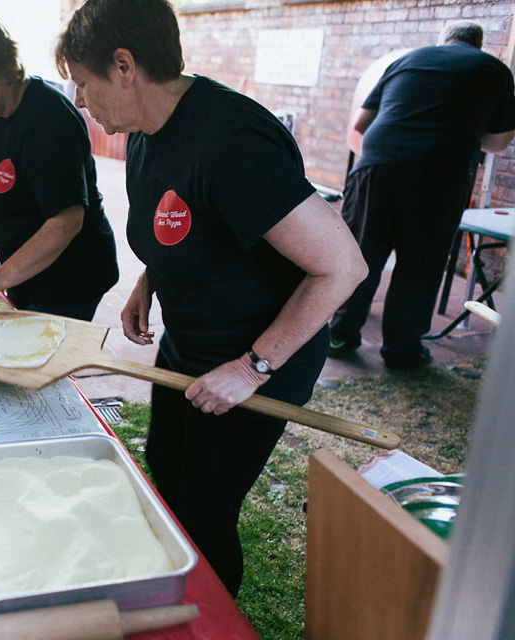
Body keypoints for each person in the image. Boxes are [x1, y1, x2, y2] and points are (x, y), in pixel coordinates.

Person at [55, 0, 367, 597]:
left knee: (203, 512)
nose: (80, 102)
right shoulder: (147, 132)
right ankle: (177, 601)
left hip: (257, 357)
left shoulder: (233, 141)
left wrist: (252, 368)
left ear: (124, 66)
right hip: (191, 344)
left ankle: (212, 620)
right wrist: (151, 280)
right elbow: (186, 222)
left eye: (83, 84)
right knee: (168, 484)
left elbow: (343, 267)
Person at [328, 20, 515, 370]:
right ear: (477, 44)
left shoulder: (406, 60)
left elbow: (359, 127)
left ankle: (338, 335)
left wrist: (371, 165)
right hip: (439, 178)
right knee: (419, 266)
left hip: (376, 169)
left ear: (443, 41)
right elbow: (498, 142)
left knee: (360, 256)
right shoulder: (494, 69)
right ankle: (401, 352)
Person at [0, 12, 119, 321]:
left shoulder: (48, 119)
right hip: (23, 272)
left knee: (39, 360)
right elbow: (1, 171)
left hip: (69, 277)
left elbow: (66, 220)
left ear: (4, 68)